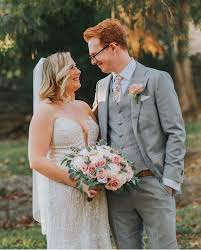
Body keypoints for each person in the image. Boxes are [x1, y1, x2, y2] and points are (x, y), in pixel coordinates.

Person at [83, 18, 186, 249]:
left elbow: (175, 132)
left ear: (113, 47)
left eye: (95, 54)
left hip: (154, 182)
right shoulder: (101, 87)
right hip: (117, 191)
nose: (93, 61)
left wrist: (169, 180)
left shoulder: (157, 79)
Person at [28, 52, 112, 249]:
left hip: (94, 190)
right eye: (72, 67)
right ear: (58, 74)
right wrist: (78, 182)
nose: (78, 71)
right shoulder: (45, 112)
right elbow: (36, 160)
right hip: (63, 191)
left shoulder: (83, 106)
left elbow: (100, 145)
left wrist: (108, 168)